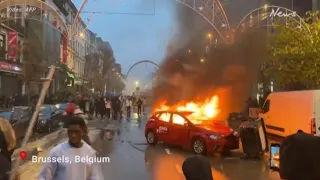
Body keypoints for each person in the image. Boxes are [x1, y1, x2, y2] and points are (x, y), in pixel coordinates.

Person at [38, 117, 103, 180]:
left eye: (76, 132)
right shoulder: (56, 152)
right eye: (70, 132)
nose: (73, 135)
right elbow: (44, 177)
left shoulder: (89, 152)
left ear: (83, 132)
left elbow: (95, 176)